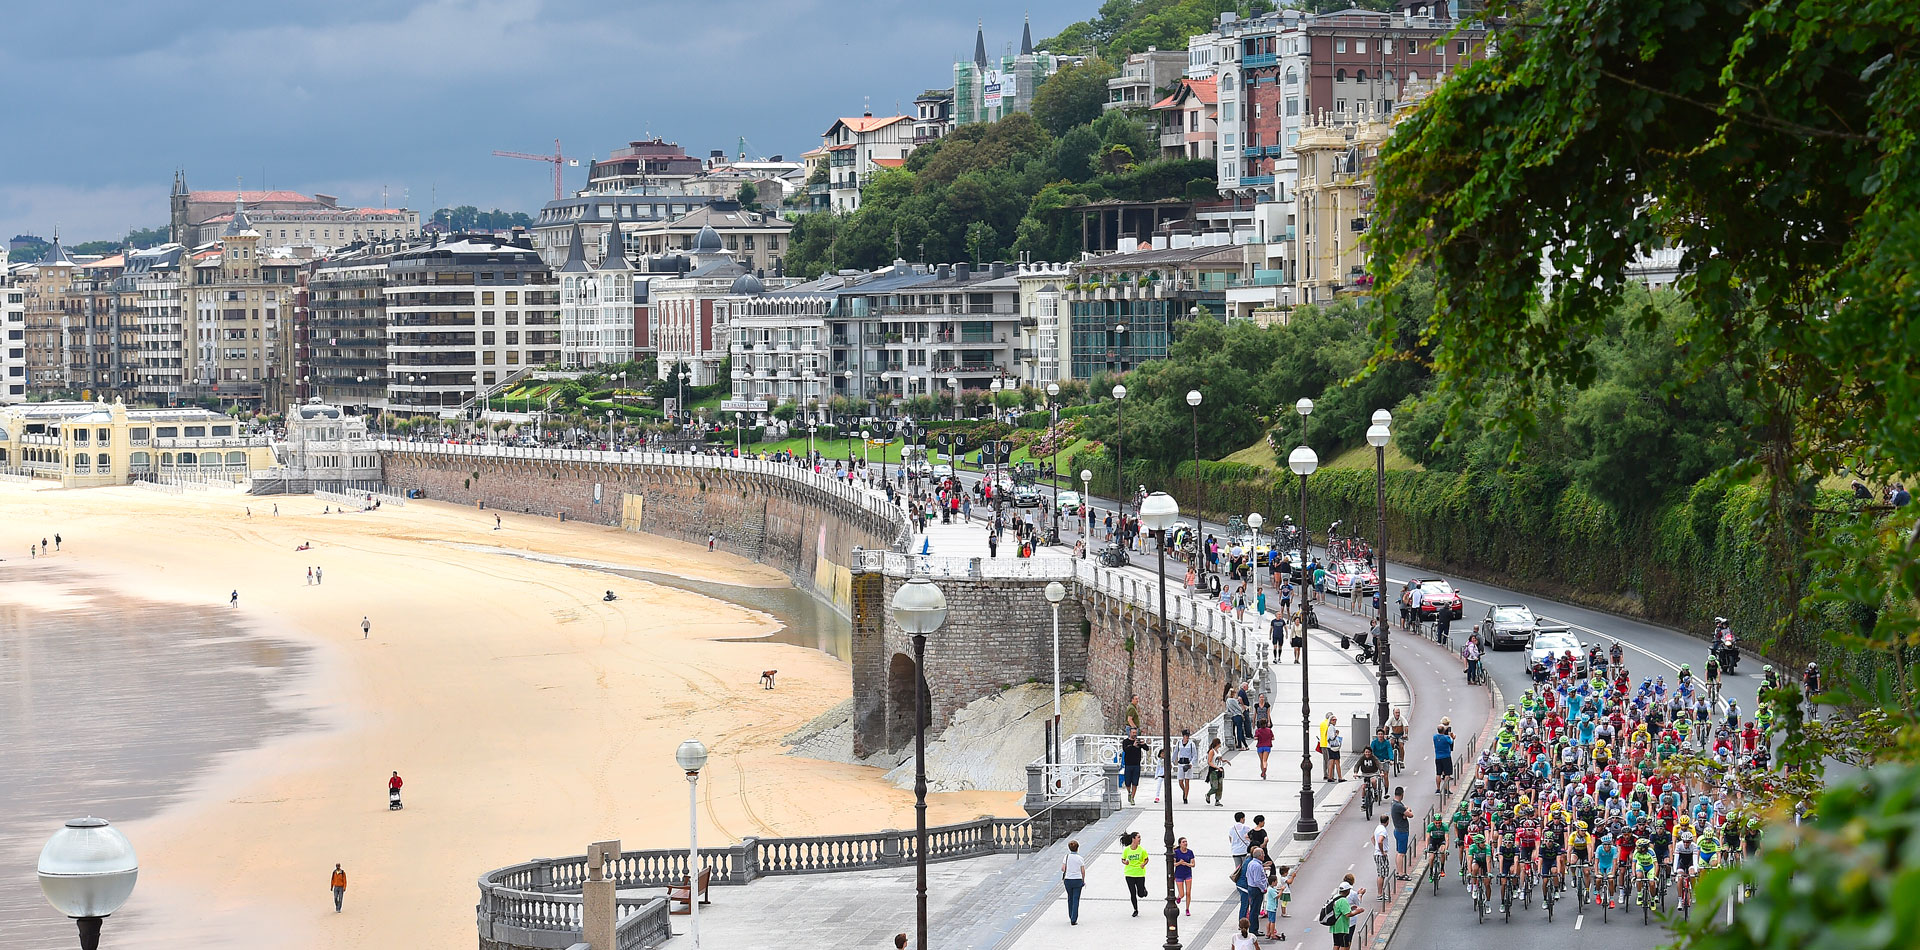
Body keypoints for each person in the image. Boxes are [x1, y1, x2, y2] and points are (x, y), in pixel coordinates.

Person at [1239, 845, 1269, 928]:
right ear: (1259, 856)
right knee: (1255, 910)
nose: (1264, 855)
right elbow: (1257, 880)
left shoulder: (1252, 863)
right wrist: (1263, 888)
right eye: (1263, 854)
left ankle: (1254, 928)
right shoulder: (1256, 865)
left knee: (1254, 909)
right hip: (1256, 889)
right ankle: (1253, 929)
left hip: (1252, 887)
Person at [1120, 832, 1149, 917]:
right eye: (1138, 837)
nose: (1140, 839)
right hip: (1129, 873)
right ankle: (1135, 909)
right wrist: (1125, 862)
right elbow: (1123, 859)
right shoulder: (1127, 850)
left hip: (1140, 873)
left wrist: (1143, 864)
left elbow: (1146, 859)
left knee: (1140, 894)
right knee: (1132, 893)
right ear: (1133, 839)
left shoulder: (1142, 850)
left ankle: (1143, 890)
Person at [1329, 880, 1364, 949]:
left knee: (1336, 944)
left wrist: (1350, 908)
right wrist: (1358, 911)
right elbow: (1348, 914)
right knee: (1344, 945)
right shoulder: (1343, 900)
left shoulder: (1335, 897)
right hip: (1342, 926)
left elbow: (1339, 910)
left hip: (1335, 925)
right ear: (1347, 891)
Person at [1061, 839, 1086, 925]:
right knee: (1076, 899)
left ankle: (1070, 914)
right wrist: (1083, 880)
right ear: (1077, 848)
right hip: (1077, 880)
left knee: (1070, 898)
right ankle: (1074, 919)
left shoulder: (1066, 857)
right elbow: (1083, 871)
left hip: (1068, 880)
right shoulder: (1080, 858)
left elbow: (1063, 869)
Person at [1390, 787, 1412, 879]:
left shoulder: (1394, 803)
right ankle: (1401, 873)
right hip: (1402, 831)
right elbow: (1410, 814)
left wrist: (1405, 812)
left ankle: (1399, 871)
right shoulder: (1398, 806)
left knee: (1399, 852)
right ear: (1402, 794)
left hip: (1398, 830)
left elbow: (1406, 810)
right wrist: (1407, 811)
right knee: (1401, 853)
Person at [1175, 730, 1199, 804]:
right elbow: (1176, 752)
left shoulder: (1191, 744)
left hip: (1188, 763)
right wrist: (1172, 760)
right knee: (1180, 781)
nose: (1187, 737)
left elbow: (1195, 755)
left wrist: (1191, 763)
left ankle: (1185, 797)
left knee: (1187, 781)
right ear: (1183, 736)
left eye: (1188, 736)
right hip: (1181, 763)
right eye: (1186, 735)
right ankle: (1184, 790)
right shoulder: (1179, 743)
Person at [1173, 836, 1195, 915]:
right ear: (1180, 844)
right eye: (1183, 842)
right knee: (1182, 894)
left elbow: (1193, 864)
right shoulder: (1176, 852)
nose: (1185, 843)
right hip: (1179, 874)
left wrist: (1186, 863)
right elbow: (1173, 864)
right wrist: (1179, 863)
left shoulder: (1190, 852)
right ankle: (1179, 897)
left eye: (1186, 841)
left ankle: (1187, 909)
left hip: (1188, 874)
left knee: (1188, 892)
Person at [1373, 816, 1393, 901]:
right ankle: (1380, 894)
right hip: (1381, 855)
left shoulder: (1378, 827)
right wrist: (1382, 851)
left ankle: (1380, 893)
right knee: (1382, 874)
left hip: (1377, 853)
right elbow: (1380, 841)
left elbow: (1372, 838)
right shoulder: (1383, 831)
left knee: (1380, 873)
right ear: (1387, 821)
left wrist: (1376, 847)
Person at [1121, 731, 1144, 805]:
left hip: (1136, 764)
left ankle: (1133, 798)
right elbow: (1125, 750)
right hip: (1128, 764)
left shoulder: (1138, 741)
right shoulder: (1126, 742)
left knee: (1135, 782)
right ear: (1130, 733)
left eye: (1135, 733)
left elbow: (1146, 748)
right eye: (1133, 733)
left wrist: (1143, 744)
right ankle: (1129, 793)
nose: (1134, 734)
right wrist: (1133, 745)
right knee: (1127, 782)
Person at [1433, 721, 1455, 794]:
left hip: (1438, 757)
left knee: (1438, 773)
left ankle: (1438, 789)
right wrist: (1450, 736)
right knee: (1447, 774)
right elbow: (1451, 741)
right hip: (1446, 757)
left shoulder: (1435, 737)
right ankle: (1446, 789)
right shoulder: (1446, 738)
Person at [1205, 738, 1227, 805]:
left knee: (1220, 787)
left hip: (1220, 770)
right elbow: (1209, 762)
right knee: (1215, 787)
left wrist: (1224, 761)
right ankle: (1208, 795)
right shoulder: (1212, 751)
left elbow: (1219, 759)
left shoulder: (1218, 751)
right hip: (1214, 771)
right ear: (1217, 744)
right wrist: (1216, 767)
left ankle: (1217, 800)